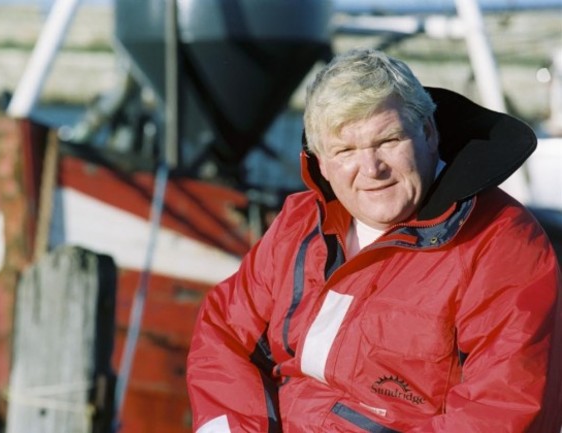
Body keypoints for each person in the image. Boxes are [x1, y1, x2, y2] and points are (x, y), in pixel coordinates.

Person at [186, 48, 562, 433]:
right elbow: (225, 333)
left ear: (429, 133)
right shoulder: (299, 223)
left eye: (388, 140)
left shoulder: (501, 243)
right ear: (321, 162)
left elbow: (502, 410)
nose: (372, 169)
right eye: (346, 150)